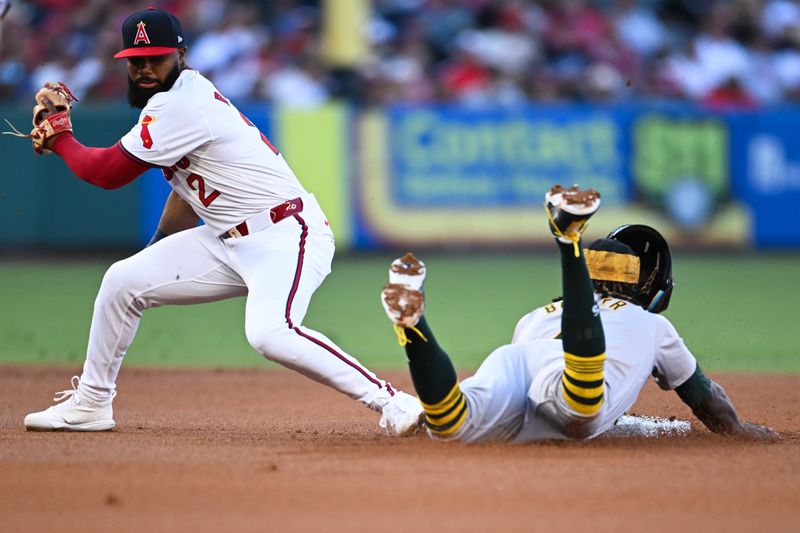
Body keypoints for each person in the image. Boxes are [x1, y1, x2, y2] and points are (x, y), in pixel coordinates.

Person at [22, 8, 423, 436]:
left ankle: (393, 401)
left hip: (285, 234)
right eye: (135, 60)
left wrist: (61, 136)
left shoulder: (182, 105)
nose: (144, 68)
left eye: (155, 58)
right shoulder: (168, 104)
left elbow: (105, 173)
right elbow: (188, 194)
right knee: (122, 282)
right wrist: (155, 254)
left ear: (181, 54)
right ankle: (91, 404)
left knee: (270, 334)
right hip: (226, 239)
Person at [380, 185, 779, 442]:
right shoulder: (654, 325)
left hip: (516, 362)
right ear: (639, 284)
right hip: (574, 377)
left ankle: (413, 326)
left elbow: (531, 394)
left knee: (450, 422)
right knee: (580, 403)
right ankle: (568, 240)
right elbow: (706, 400)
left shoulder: (535, 316)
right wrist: (739, 430)